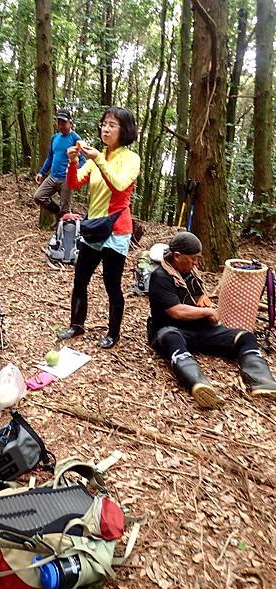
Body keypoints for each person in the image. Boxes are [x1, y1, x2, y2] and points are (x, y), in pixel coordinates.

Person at [148, 231, 276, 407]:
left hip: (199, 330)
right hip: (170, 329)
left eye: (197, 259)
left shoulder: (191, 274)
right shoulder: (160, 276)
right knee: (171, 338)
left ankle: (263, 382)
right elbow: (176, 311)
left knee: (245, 336)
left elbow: (199, 297)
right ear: (177, 256)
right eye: (193, 259)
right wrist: (207, 312)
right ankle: (200, 384)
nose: (196, 263)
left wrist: (203, 302)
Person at [57, 107, 140, 349]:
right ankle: (76, 324)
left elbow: (120, 186)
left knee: (111, 284)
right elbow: (73, 182)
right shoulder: (97, 156)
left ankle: (113, 333)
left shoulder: (131, 159)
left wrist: (98, 159)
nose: (106, 128)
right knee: (80, 278)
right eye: (104, 123)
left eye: (112, 125)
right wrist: (73, 161)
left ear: (124, 130)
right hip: (94, 227)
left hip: (116, 229)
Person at [34, 109, 85, 217]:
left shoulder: (75, 138)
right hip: (53, 177)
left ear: (70, 123)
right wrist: (42, 172)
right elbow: (50, 157)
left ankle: (63, 230)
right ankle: (58, 212)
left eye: (64, 123)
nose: (61, 126)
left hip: (66, 180)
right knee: (38, 196)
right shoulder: (55, 138)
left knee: (65, 211)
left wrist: (73, 171)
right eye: (59, 123)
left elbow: (82, 160)